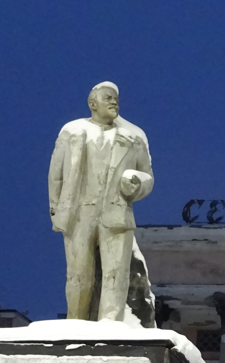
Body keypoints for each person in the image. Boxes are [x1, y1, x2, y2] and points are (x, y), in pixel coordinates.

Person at [47, 81, 155, 321]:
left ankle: (111, 326)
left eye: (116, 98)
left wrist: (137, 183)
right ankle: (75, 324)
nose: (114, 102)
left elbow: (148, 176)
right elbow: (55, 175)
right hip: (78, 213)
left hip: (117, 212)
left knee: (115, 275)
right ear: (92, 103)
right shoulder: (71, 131)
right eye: (108, 98)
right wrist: (57, 211)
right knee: (78, 276)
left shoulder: (134, 136)